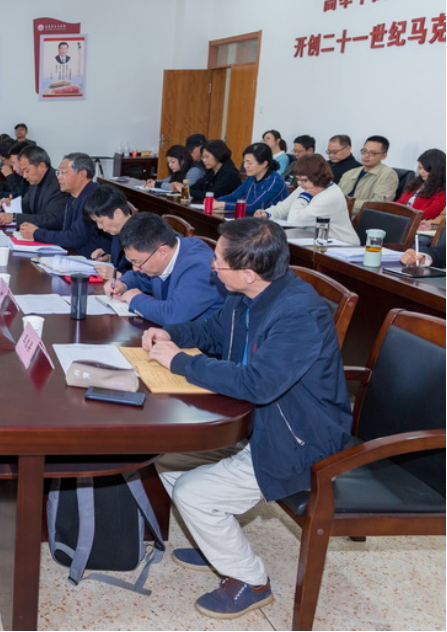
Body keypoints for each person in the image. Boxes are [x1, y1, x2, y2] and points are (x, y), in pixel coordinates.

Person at [145, 218, 351, 620]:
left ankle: (251, 581)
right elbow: (213, 330)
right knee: (169, 457)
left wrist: (181, 363)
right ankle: (219, 544)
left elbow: (259, 384)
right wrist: (171, 335)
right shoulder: (247, 295)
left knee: (193, 493)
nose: (212, 267)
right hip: (258, 422)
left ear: (248, 272)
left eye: (218, 262)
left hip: (300, 438)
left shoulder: (298, 313)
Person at [104, 212, 225, 325]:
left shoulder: (200, 268)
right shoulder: (165, 255)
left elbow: (172, 315)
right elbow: (141, 278)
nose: (135, 268)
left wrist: (135, 299)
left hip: (200, 339)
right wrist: (123, 284)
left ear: (162, 252)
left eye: (137, 262)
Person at [256, 154, 360, 246]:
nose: (299, 183)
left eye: (303, 180)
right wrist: (267, 214)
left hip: (342, 244)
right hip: (318, 240)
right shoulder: (308, 186)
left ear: (317, 177)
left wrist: (304, 197)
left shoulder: (330, 196)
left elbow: (295, 220)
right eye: (298, 179)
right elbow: (283, 208)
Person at [17, 153, 109, 256]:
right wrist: (34, 227)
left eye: (63, 172)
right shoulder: (74, 196)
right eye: (58, 172)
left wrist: (37, 233)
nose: (59, 177)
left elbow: (74, 238)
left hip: (89, 259)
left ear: (82, 175)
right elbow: (60, 222)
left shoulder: (93, 199)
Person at [0, 146, 66, 227]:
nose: (24, 176)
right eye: (23, 171)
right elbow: (26, 207)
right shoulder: (35, 181)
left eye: (27, 171)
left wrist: (15, 217)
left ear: (41, 166)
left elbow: (52, 219)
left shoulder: (59, 184)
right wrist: (10, 205)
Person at [212, 143, 289, 214]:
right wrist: (215, 201)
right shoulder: (251, 177)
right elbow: (235, 196)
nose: (245, 166)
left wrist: (222, 204)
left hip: (273, 222)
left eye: (250, 163)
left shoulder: (275, 181)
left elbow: (253, 206)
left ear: (264, 164)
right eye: (244, 162)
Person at [338, 135, 398, 212]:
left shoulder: (388, 174)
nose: (366, 155)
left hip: (359, 217)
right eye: (364, 151)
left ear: (384, 156)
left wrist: (346, 204)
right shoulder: (350, 173)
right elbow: (335, 195)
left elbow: (379, 204)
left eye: (373, 153)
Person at [84, 183, 134, 272]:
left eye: (101, 221)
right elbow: (123, 264)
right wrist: (108, 258)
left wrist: (116, 274)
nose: (99, 226)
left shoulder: (141, 236)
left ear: (117, 214)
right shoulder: (116, 232)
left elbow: (146, 276)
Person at [398, 149, 445, 222]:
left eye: (426, 169)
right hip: (402, 219)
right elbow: (401, 202)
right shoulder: (417, 183)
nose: (421, 172)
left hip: (417, 223)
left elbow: (432, 213)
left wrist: (404, 214)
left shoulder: (442, 190)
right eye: (420, 168)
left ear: (438, 170)